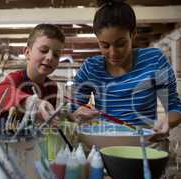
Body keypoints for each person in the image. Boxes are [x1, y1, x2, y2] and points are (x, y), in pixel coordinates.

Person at [72, 0, 181, 142]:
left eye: (120, 44)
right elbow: (70, 112)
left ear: (133, 34)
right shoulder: (90, 68)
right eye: (104, 45)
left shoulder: (154, 60)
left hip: (145, 142)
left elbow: (175, 107)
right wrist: (77, 114)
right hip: (105, 143)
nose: (113, 53)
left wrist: (167, 122)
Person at [0, 24, 98, 127]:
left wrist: (71, 117)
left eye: (56, 55)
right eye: (43, 50)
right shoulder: (15, 79)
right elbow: (0, 92)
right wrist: (33, 102)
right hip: (9, 142)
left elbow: (47, 121)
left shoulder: (51, 86)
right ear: (27, 52)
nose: (50, 57)